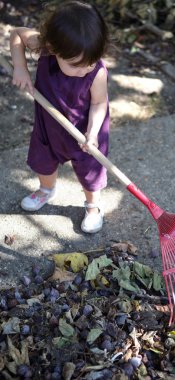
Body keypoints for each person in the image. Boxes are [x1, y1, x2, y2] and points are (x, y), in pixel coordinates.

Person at [9, 0, 110, 233]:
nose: (84, 69)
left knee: (90, 170)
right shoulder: (45, 47)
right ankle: (46, 190)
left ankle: (93, 206)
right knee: (43, 160)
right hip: (49, 125)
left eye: (91, 62)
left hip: (84, 130)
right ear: (54, 48)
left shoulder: (96, 73)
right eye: (76, 65)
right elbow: (17, 34)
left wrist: (93, 133)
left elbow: (98, 103)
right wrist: (20, 66)